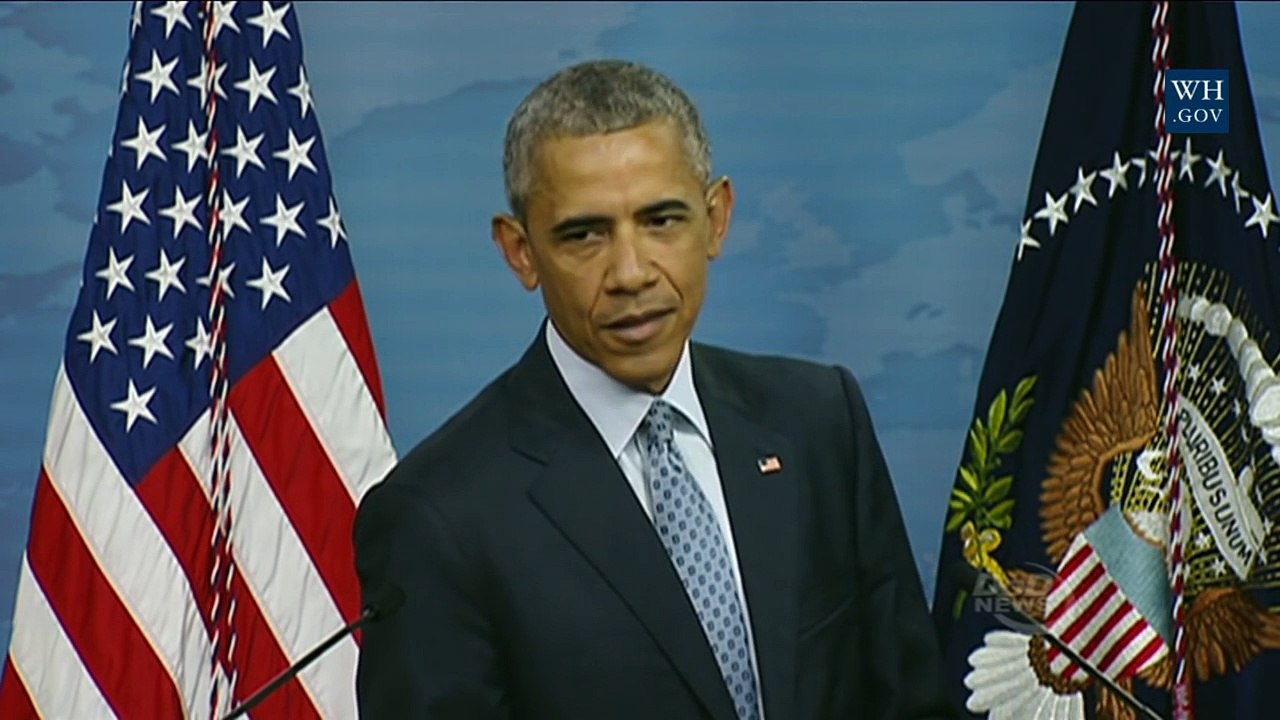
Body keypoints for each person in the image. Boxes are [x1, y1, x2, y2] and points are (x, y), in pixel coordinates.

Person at [353, 59, 955, 719]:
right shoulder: (437, 517)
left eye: (662, 221)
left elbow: (912, 704)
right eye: (584, 235)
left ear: (716, 218)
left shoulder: (818, 421)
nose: (631, 272)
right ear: (520, 251)